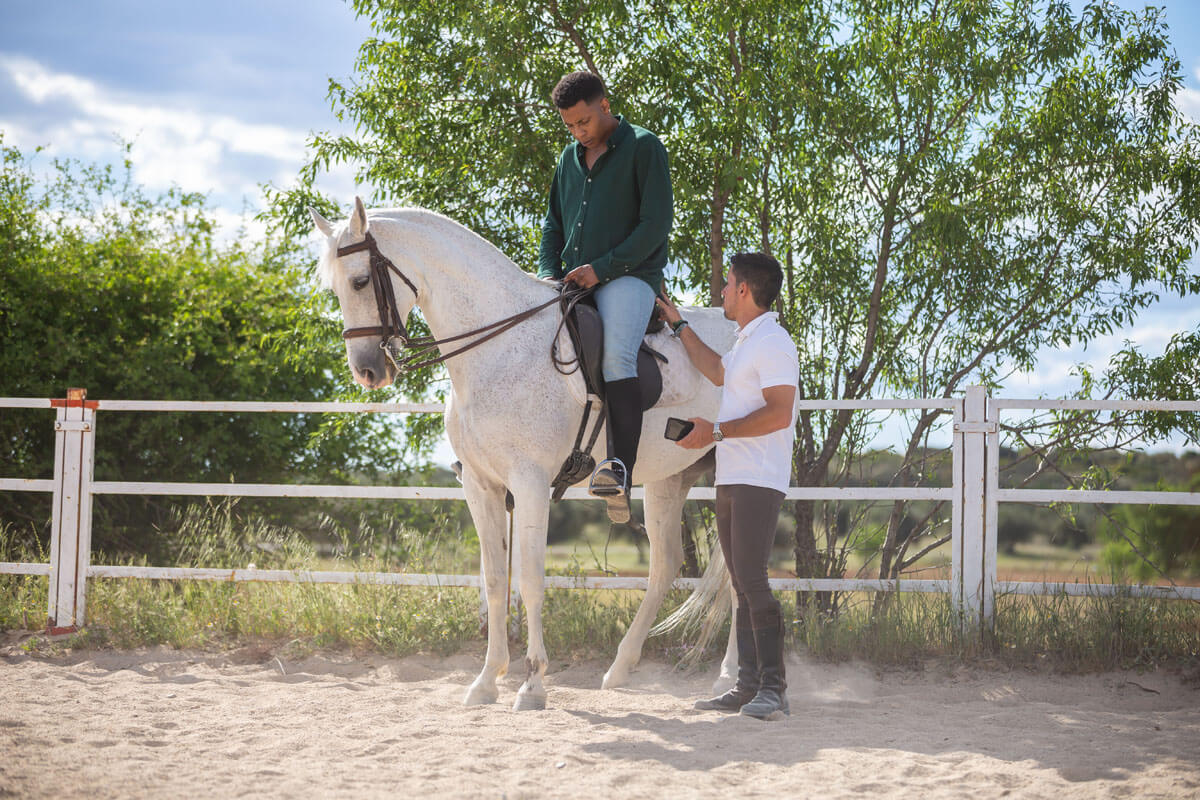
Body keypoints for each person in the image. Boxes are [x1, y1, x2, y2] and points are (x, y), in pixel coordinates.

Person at [655, 252, 798, 721]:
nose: (721, 291)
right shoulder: (747, 343)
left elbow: (780, 412)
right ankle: (748, 685)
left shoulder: (774, 342)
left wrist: (714, 432)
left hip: (758, 475)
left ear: (743, 290)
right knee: (741, 582)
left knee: (752, 579)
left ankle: (773, 690)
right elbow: (717, 371)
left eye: (727, 282)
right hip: (735, 473)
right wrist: (678, 325)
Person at [538, 70, 673, 524]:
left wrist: (602, 269)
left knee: (617, 358)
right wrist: (546, 276)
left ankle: (620, 470)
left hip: (629, 277)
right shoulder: (567, 160)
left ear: (605, 105)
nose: (578, 132)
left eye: (584, 122)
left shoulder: (644, 147)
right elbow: (552, 225)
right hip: (573, 278)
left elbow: (655, 227)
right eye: (570, 126)